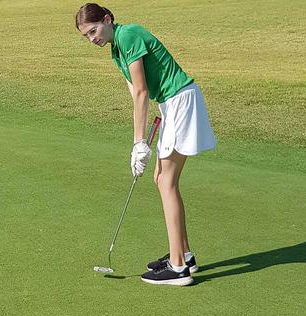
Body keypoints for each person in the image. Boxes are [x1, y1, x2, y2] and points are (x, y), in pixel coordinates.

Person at [75, 4, 217, 286]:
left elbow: (142, 91)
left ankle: (178, 270)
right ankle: (184, 255)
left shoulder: (128, 36)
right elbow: (136, 95)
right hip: (172, 105)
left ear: (107, 19)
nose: (92, 39)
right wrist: (137, 147)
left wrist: (139, 142)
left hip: (180, 101)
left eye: (94, 31)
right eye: (86, 36)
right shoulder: (117, 49)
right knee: (160, 178)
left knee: (166, 182)